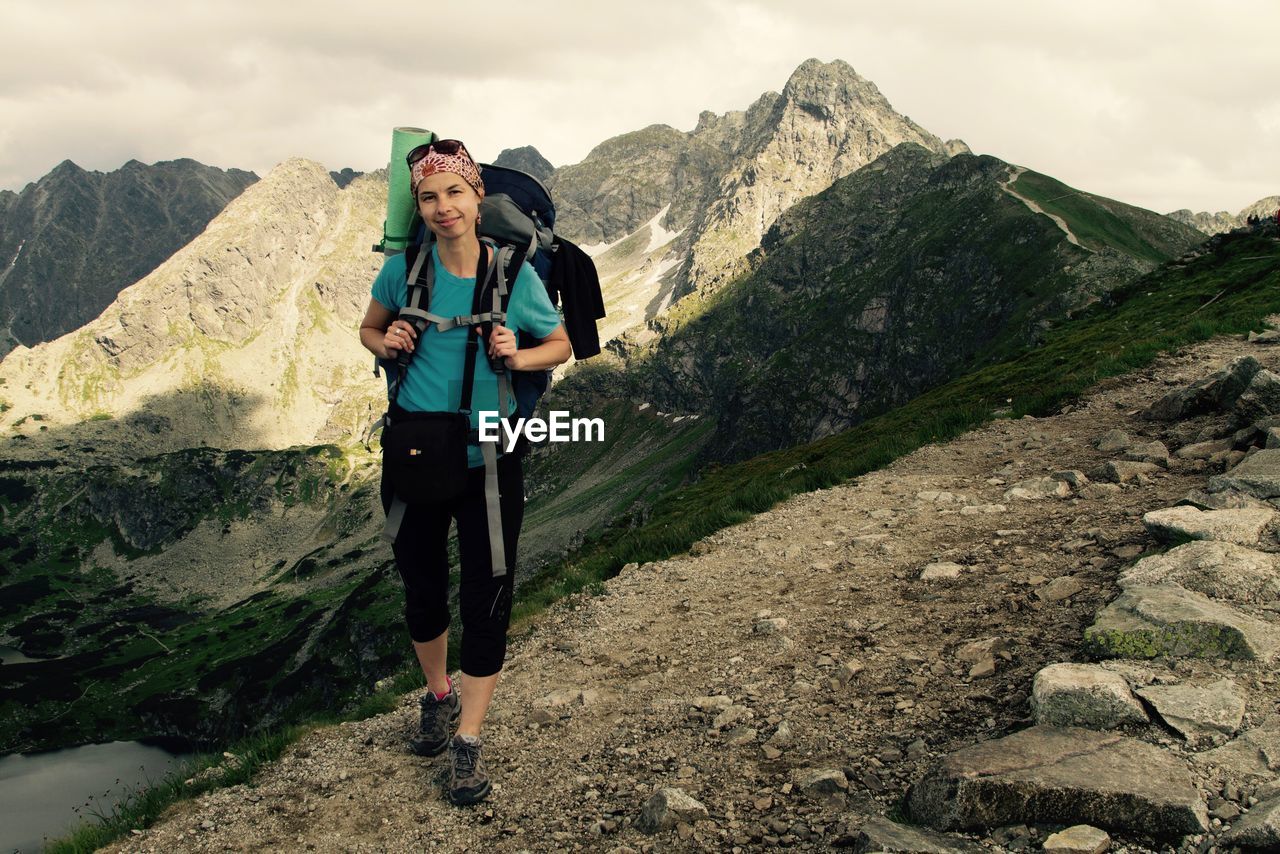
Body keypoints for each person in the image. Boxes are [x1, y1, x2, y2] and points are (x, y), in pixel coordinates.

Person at [358, 139, 571, 806]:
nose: (443, 207)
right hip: (416, 450)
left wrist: (518, 353)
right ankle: (438, 696)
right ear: (417, 207)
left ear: (479, 197)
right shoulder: (402, 272)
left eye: (455, 192)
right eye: (429, 196)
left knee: (487, 599)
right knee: (423, 591)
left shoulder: (514, 278)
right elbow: (369, 329)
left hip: (490, 455)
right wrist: (384, 339)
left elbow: (562, 343)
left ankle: (468, 743)